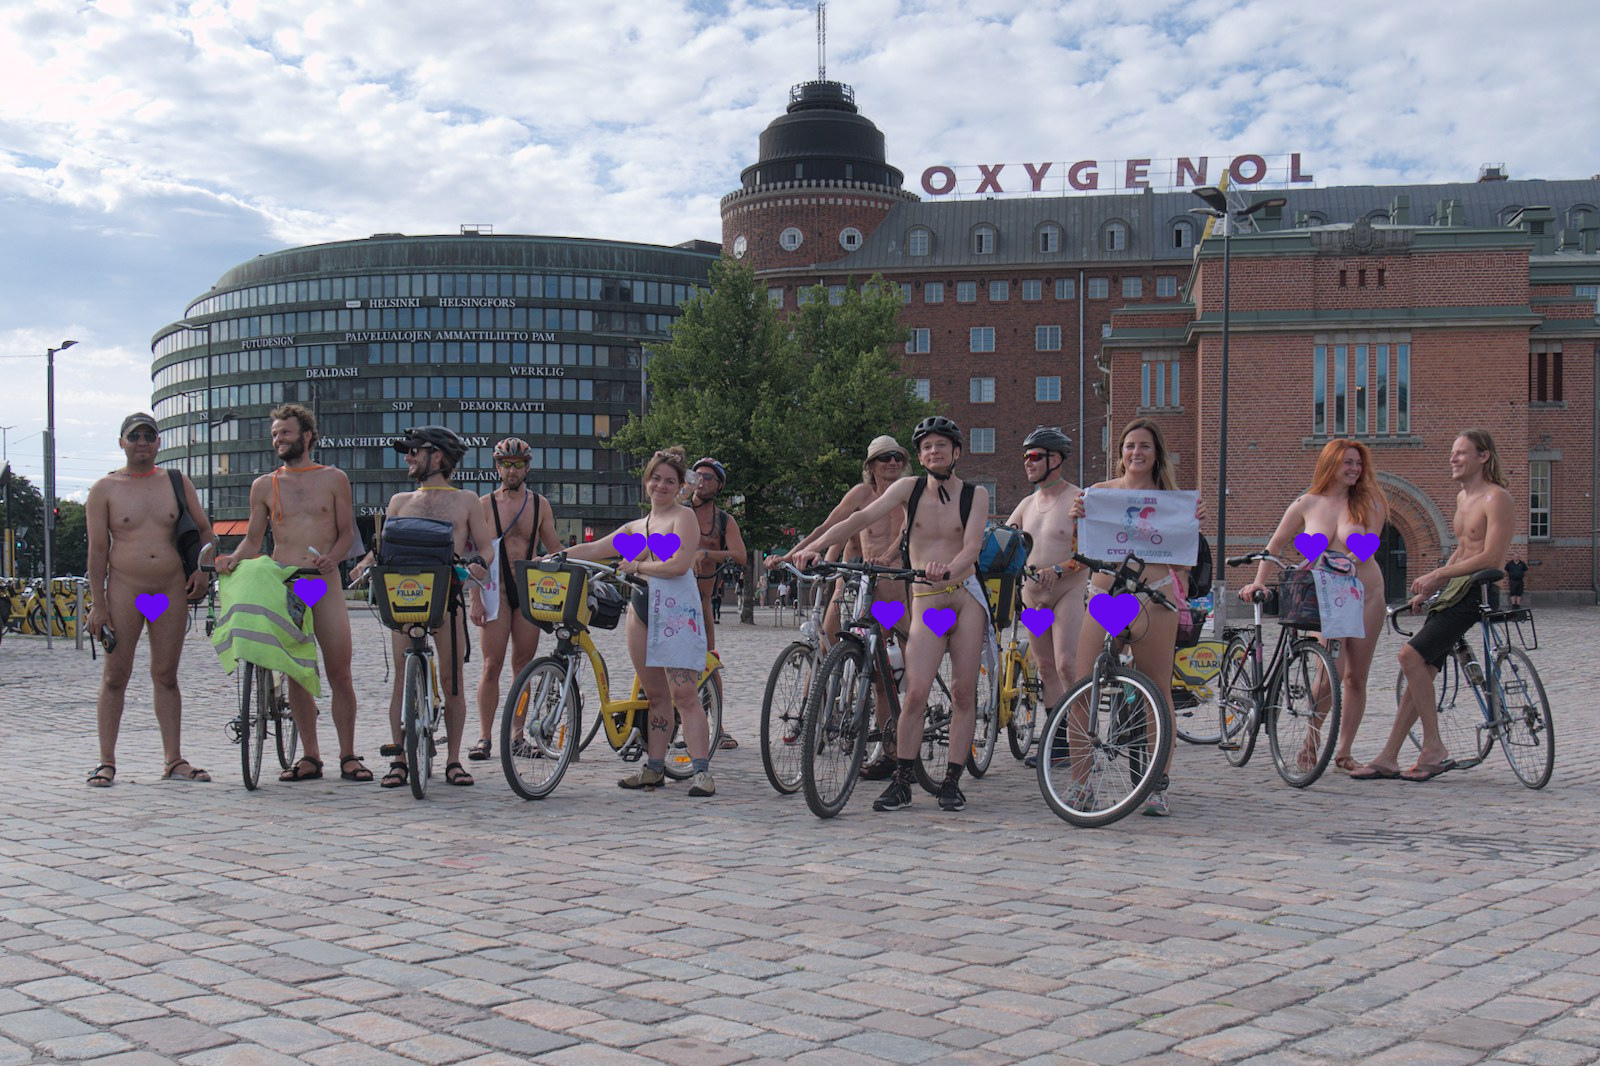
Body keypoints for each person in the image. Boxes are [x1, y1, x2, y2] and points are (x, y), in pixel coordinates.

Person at [796, 416, 989, 813]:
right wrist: (812, 547)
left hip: (963, 597)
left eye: (941, 445)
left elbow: (972, 547)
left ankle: (952, 780)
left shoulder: (975, 494)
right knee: (915, 692)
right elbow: (858, 519)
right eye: (927, 446)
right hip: (927, 599)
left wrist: (949, 567)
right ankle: (902, 781)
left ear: (956, 452)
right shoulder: (908, 488)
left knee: (962, 691)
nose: (934, 451)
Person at [1352, 430, 1515, 782]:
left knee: (1410, 656)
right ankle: (1389, 757)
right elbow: (1463, 549)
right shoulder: (1463, 498)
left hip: (1478, 591)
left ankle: (1433, 747)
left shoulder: (1496, 498)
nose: (1453, 458)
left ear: (1483, 456)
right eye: (1452, 452)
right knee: (1420, 670)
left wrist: (1438, 574)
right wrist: (1433, 586)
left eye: (1461, 453)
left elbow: (1492, 557)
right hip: (1455, 590)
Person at [216, 404, 366, 782]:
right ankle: (310, 756)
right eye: (275, 434)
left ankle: (348, 755)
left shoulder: (334, 479)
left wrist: (333, 558)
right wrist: (233, 559)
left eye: (285, 432)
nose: (278, 440)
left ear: (307, 436)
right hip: (285, 581)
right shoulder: (264, 485)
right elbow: (253, 539)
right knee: (296, 670)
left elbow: (346, 533)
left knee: (339, 670)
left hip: (322, 580)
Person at [558, 447, 718, 796]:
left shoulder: (683, 517)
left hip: (676, 613)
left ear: (679, 486)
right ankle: (654, 767)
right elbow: (594, 549)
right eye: (656, 478)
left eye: (670, 481)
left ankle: (701, 771)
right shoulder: (637, 526)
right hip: (642, 611)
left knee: (684, 694)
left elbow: (678, 565)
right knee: (656, 695)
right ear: (646, 481)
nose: (661, 485)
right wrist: (555, 556)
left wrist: (638, 566)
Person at [1068, 418, 1203, 817]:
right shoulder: (1100, 494)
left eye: (1144, 446)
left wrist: (1192, 525)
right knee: (1083, 687)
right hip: (1105, 595)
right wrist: (1078, 519)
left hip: (1153, 596)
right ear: (1120, 452)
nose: (1136, 452)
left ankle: (1156, 784)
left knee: (1157, 692)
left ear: (1157, 453)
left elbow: (1182, 564)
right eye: (1129, 446)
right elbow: (1081, 551)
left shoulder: (1173, 501)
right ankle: (1082, 784)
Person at [350, 426, 492, 789]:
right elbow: (383, 547)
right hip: (404, 596)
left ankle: (454, 760)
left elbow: (486, 547)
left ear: (437, 456)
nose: (408, 457)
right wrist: (365, 563)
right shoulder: (399, 500)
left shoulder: (466, 500)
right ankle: (400, 758)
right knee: (402, 678)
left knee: (452, 681)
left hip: (446, 595)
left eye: (415, 451)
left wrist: (478, 563)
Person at [1238, 438, 1387, 774]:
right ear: (1330, 464)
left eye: (1358, 463)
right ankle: (1312, 737)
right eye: (1347, 462)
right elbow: (1275, 545)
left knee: (1356, 676)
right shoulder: (1307, 502)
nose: (1354, 469)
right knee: (1330, 671)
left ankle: (1344, 752)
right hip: (1326, 596)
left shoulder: (1370, 501)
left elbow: (1369, 546)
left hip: (1366, 593)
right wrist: (1260, 581)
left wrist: (1342, 561)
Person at [84, 413, 214, 786]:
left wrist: (202, 570)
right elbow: (97, 551)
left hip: (170, 588)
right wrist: (98, 604)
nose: (142, 442)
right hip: (125, 589)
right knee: (115, 676)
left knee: (166, 675)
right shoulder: (105, 489)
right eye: (134, 436)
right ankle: (106, 761)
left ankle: (174, 760)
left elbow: (204, 529)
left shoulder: (175, 481)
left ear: (158, 442)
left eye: (149, 435)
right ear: (121, 442)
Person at [776, 433, 913, 779]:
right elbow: (831, 525)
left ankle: (899, 743)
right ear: (871, 465)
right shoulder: (861, 494)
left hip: (895, 584)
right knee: (827, 645)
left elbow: (906, 534)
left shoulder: (909, 491)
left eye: (897, 457)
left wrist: (890, 556)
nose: (892, 463)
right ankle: (812, 715)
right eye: (885, 458)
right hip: (859, 582)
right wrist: (794, 553)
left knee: (896, 669)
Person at [468, 437, 561, 762]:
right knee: (490, 665)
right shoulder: (483, 505)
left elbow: (555, 549)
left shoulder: (539, 505)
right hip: (495, 591)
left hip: (526, 591)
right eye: (506, 465)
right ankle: (484, 737)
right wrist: (475, 598)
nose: (511, 471)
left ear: (527, 467)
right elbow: (475, 556)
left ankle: (517, 736)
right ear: (497, 467)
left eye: (518, 465)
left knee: (523, 667)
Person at [1006, 427, 1089, 743]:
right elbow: (1004, 541)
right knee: (1045, 667)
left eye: (1034, 456)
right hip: (1032, 595)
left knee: (1067, 664)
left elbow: (1087, 553)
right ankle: (1057, 741)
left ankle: (1080, 737)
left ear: (1055, 460)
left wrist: (1058, 569)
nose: (1027, 462)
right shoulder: (1027, 504)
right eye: (1025, 457)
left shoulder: (1078, 499)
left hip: (1067, 591)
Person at [686, 457, 747, 749]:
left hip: (702, 605)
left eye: (708, 477)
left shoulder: (724, 521)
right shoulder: (678, 511)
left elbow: (741, 555)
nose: (701, 480)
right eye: (696, 474)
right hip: (672, 603)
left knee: (709, 665)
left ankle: (718, 728)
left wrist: (709, 554)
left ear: (719, 485)